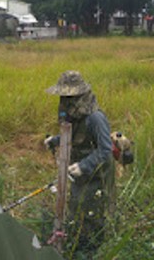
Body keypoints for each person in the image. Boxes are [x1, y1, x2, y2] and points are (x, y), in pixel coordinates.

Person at [44, 70, 115, 257]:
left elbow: (105, 149)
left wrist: (84, 166)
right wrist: (56, 140)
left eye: (69, 97)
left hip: (97, 173)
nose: (64, 101)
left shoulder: (95, 118)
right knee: (76, 206)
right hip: (78, 172)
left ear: (79, 95)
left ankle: (92, 249)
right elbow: (74, 137)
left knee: (92, 211)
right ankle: (77, 239)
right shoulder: (75, 116)